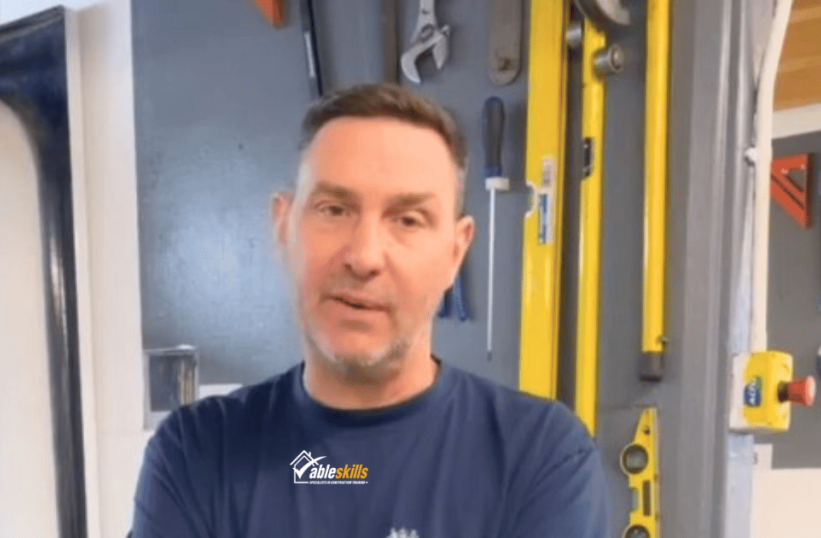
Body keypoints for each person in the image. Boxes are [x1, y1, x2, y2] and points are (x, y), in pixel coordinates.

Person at [131, 83, 609, 538]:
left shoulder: (541, 457)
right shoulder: (196, 452)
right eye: (334, 209)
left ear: (455, 253)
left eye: (408, 219)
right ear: (284, 226)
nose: (364, 256)